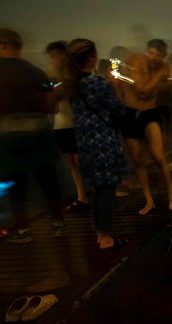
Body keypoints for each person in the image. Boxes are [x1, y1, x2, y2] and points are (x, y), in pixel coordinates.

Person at [0, 27, 65, 243]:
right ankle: (59, 223)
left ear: (4, 46)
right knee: (48, 181)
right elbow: (51, 103)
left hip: (9, 137)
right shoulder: (36, 72)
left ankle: (24, 230)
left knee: (18, 186)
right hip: (40, 134)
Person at [65, 38, 128, 250]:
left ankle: (101, 234)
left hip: (84, 142)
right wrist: (116, 88)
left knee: (98, 190)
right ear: (91, 58)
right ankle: (106, 238)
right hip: (103, 142)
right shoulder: (97, 83)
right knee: (107, 190)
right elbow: (119, 110)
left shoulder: (73, 85)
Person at [116, 38, 172, 215]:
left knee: (158, 156)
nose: (152, 57)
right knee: (137, 158)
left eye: (157, 55)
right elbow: (141, 91)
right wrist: (158, 77)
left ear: (163, 56)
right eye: (150, 53)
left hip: (149, 113)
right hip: (129, 113)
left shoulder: (165, 69)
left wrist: (167, 85)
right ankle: (149, 200)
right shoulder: (137, 61)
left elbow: (163, 95)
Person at [46, 40, 89, 212]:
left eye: (57, 55)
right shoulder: (51, 76)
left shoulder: (74, 74)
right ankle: (81, 196)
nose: (54, 59)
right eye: (51, 56)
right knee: (72, 161)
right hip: (61, 123)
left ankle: (99, 192)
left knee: (82, 160)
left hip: (76, 123)